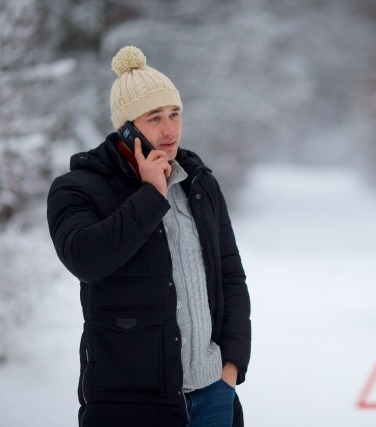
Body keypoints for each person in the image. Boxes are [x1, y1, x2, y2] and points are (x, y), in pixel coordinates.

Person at [47, 45, 251, 427]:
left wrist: (232, 368)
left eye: (175, 114)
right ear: (125, 128)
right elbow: (85, 260)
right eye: (154, 118)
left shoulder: (200, 184)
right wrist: (150, 195)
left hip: (212, 394)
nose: (170, 129)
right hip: (130, 404)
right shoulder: (76, 188)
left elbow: (230, 276)